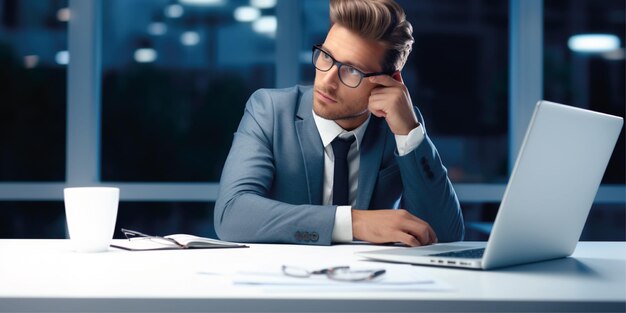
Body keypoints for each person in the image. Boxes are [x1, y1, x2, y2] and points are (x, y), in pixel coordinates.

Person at [214, 0, 464, 246]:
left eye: (352, 71)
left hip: (372, 282)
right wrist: (354, 223)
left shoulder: (398, 124)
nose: (327, 81)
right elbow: (231, 215)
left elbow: (446, 236)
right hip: (282, 280)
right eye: (326, 56)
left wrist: (409, 134)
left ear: (390, 82)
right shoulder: (270, 111)